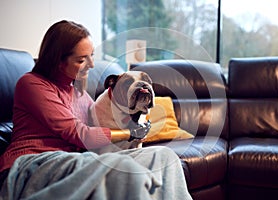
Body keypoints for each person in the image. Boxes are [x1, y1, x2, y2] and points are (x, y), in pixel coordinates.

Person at [0, 20, 192, 200]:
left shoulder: (79, 94)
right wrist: (130, 133)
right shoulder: (32, 84)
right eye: (82, 59)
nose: (92, 65)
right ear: (59, 61)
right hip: (36, 162)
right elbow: (81, 134)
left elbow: (101, 124)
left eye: (92, 56)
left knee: (163, 157)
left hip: (79, 160)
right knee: (121, 168)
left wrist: (135, 120)